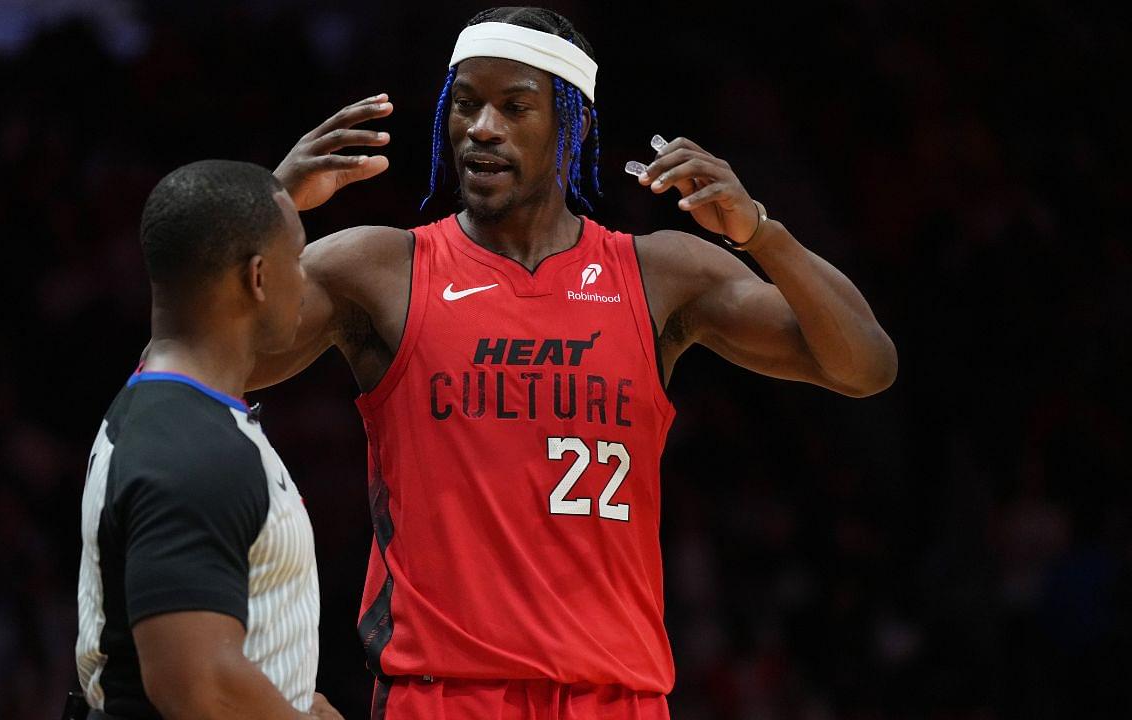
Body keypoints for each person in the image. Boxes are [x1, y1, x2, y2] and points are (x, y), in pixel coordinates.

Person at [262, 6, 898, 718]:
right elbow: (209, 357)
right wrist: (272, 207)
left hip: (618, 698)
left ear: (575, 125)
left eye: (515, 107)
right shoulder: (383, 267)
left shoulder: (660, 275)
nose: (482, 128)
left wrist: (761, 234)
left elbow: (864, 365)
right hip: (449, 696)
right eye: (465, 104)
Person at [73, 160, 347, 720]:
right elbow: (193, 683)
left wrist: (268, 199)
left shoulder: (165, 399)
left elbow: (201, 243)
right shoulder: (191, 454)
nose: (306, 274)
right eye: (295, 258)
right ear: (258, 278)